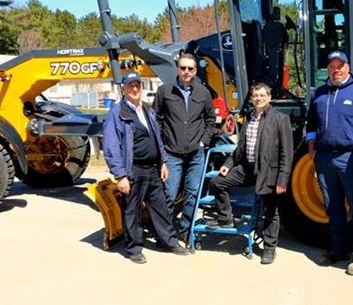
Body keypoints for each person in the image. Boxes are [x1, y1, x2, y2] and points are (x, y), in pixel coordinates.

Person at [102, 71, 189, 264]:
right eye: (130, 86)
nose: (134, 89)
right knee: (131, 210)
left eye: (137, 85)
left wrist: (163, 162)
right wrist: (120, 175)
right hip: (133, 169)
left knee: (160, 208)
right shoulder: (117, 113)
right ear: (123, 89)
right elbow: (111, 145)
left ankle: (168, 241)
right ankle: (134, 248)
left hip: (152, 168)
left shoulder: (147, 109)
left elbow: (157, 138)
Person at [306, 50, 353, 276]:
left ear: (348, 68)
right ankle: (338, 249)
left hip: (350, 158)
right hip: (325, 157)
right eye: (332, 66)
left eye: (340, 66)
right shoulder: (320, 93)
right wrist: (310, 143)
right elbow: (311, 122)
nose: (335, 70)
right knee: (332, 206)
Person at [209, 82, 293, 265]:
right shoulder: (249, 117)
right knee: (217, 183)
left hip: (268, 171)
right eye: (255, 95)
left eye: (262, 95)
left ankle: (269, 248)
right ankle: (226, 219)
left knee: (271, 210)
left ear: (269, 97)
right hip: (246, 168)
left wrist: (283, 179)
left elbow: (287, 153)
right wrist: (229, 164)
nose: (258, 98)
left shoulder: (280, 119)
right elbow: (240, 148)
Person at [152, 53, 217, 244]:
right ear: (177, 69)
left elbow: (210, 120)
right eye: (183, 68)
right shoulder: (165, 91)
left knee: (193, 193)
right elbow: (155, 118)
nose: (186, 72)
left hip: (196, 154)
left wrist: (204, 141)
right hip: (172, 154)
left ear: (195, 71)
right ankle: (165, 232)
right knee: (169, 194)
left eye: (190, 69)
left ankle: (186, 231)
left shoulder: (203, 93)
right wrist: (164, 139)